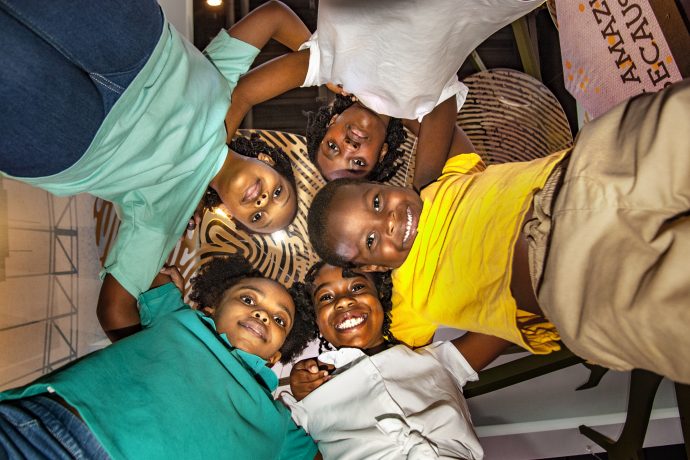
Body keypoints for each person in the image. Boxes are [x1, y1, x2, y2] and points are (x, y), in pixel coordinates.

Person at [306, 79, 690, 384]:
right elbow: (389, 369)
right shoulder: (410, 303)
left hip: (581, 177)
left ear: (383, 182)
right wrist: (310, 381)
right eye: (371, 240)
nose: (387, 221)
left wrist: (378, 110)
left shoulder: (438, 181)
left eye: (376, 202)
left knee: (672, 122)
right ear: (372, 268)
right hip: (576, 281)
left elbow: (438, 106)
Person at [0, 1, 310, 327]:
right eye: (278, 193)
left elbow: (114, 311)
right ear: (267, 161)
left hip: (78, 142)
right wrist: (331, 67)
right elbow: (274, 16)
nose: (263, 202)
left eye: (258, 217)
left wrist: (166, 319)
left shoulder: (166, 221)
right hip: (138, 48)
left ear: (231, 215)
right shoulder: (227, 94)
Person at [0, 255, 318, 459]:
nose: (262, 314)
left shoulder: (279, 426)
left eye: (280, 320)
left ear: (274, 357)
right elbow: (149, 268)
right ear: (210, 309)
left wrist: (309, 398)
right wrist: (165, 277)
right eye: (248, 299)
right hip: (42, 431)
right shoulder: (178, 317)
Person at [226, 0, 543, 187]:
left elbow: (242, 96)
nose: (348, 147)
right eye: (357, 163)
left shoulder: (330, 65)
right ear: (381, 155)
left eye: (332, 146)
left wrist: (213, 169)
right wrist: (419, 192)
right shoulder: (420, 107)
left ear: (332, 122)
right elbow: (466, 165)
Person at [283, 262, 508, 459]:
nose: (343, 301)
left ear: (381, 295)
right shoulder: (313, 393)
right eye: (326, 297)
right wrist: (305, 397)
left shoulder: (437, 360)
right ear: (315, 320)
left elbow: (508, 323)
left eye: (357, 287)